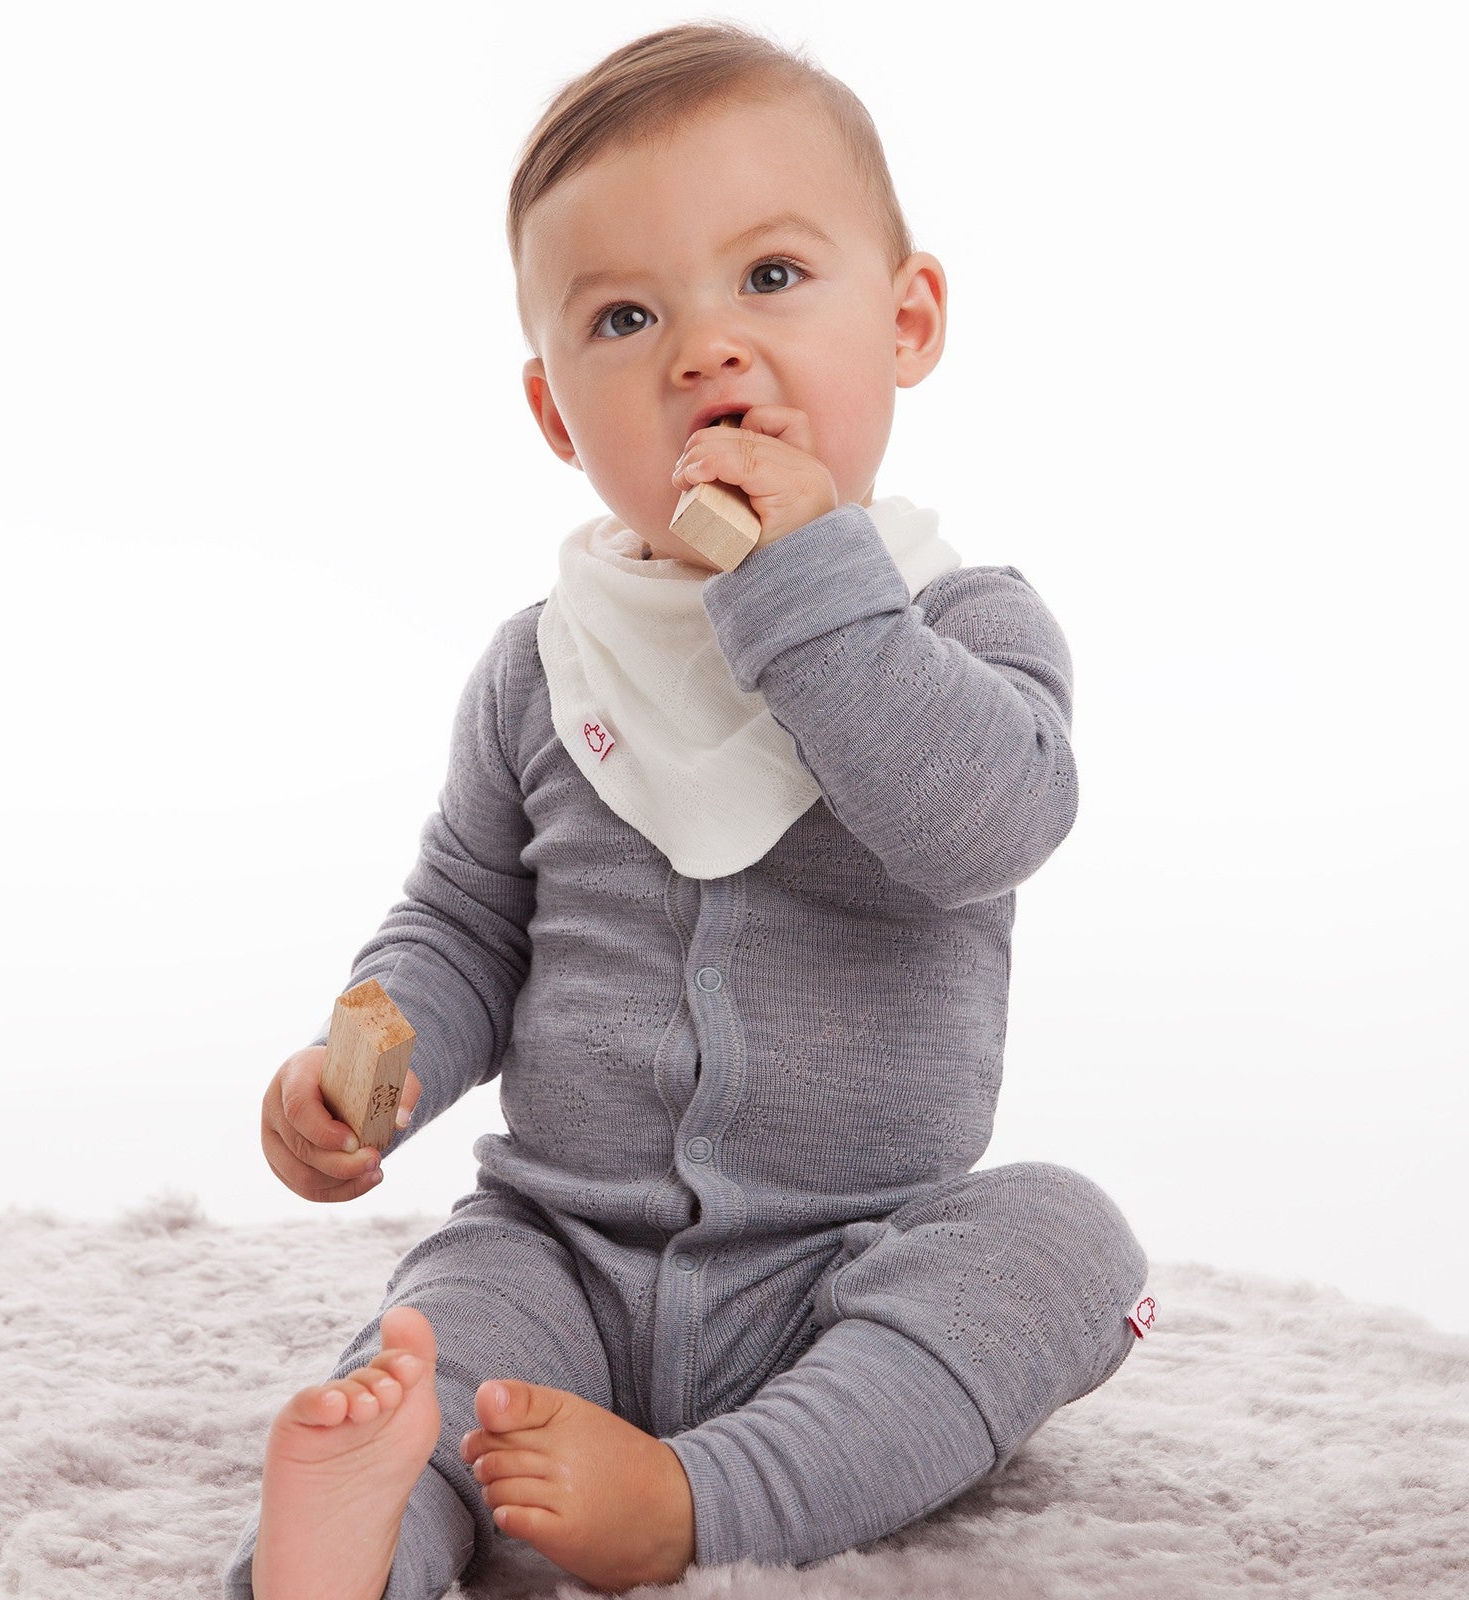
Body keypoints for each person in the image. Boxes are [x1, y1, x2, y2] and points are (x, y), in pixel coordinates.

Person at [226, 20, 1149, 1600]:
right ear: (553, 414)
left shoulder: (955, 623)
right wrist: (371, 1056)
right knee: (437, 1336)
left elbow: (983, 826)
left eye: (772, 280)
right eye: (627, 315)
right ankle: (355, 1553)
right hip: (564, 1251)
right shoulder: (547, 664)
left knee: (1068, 1246)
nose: (704, 353)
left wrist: (808, 590)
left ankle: (702, 1500)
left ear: (910, 318)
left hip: (846, 1265)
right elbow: (463, 915)